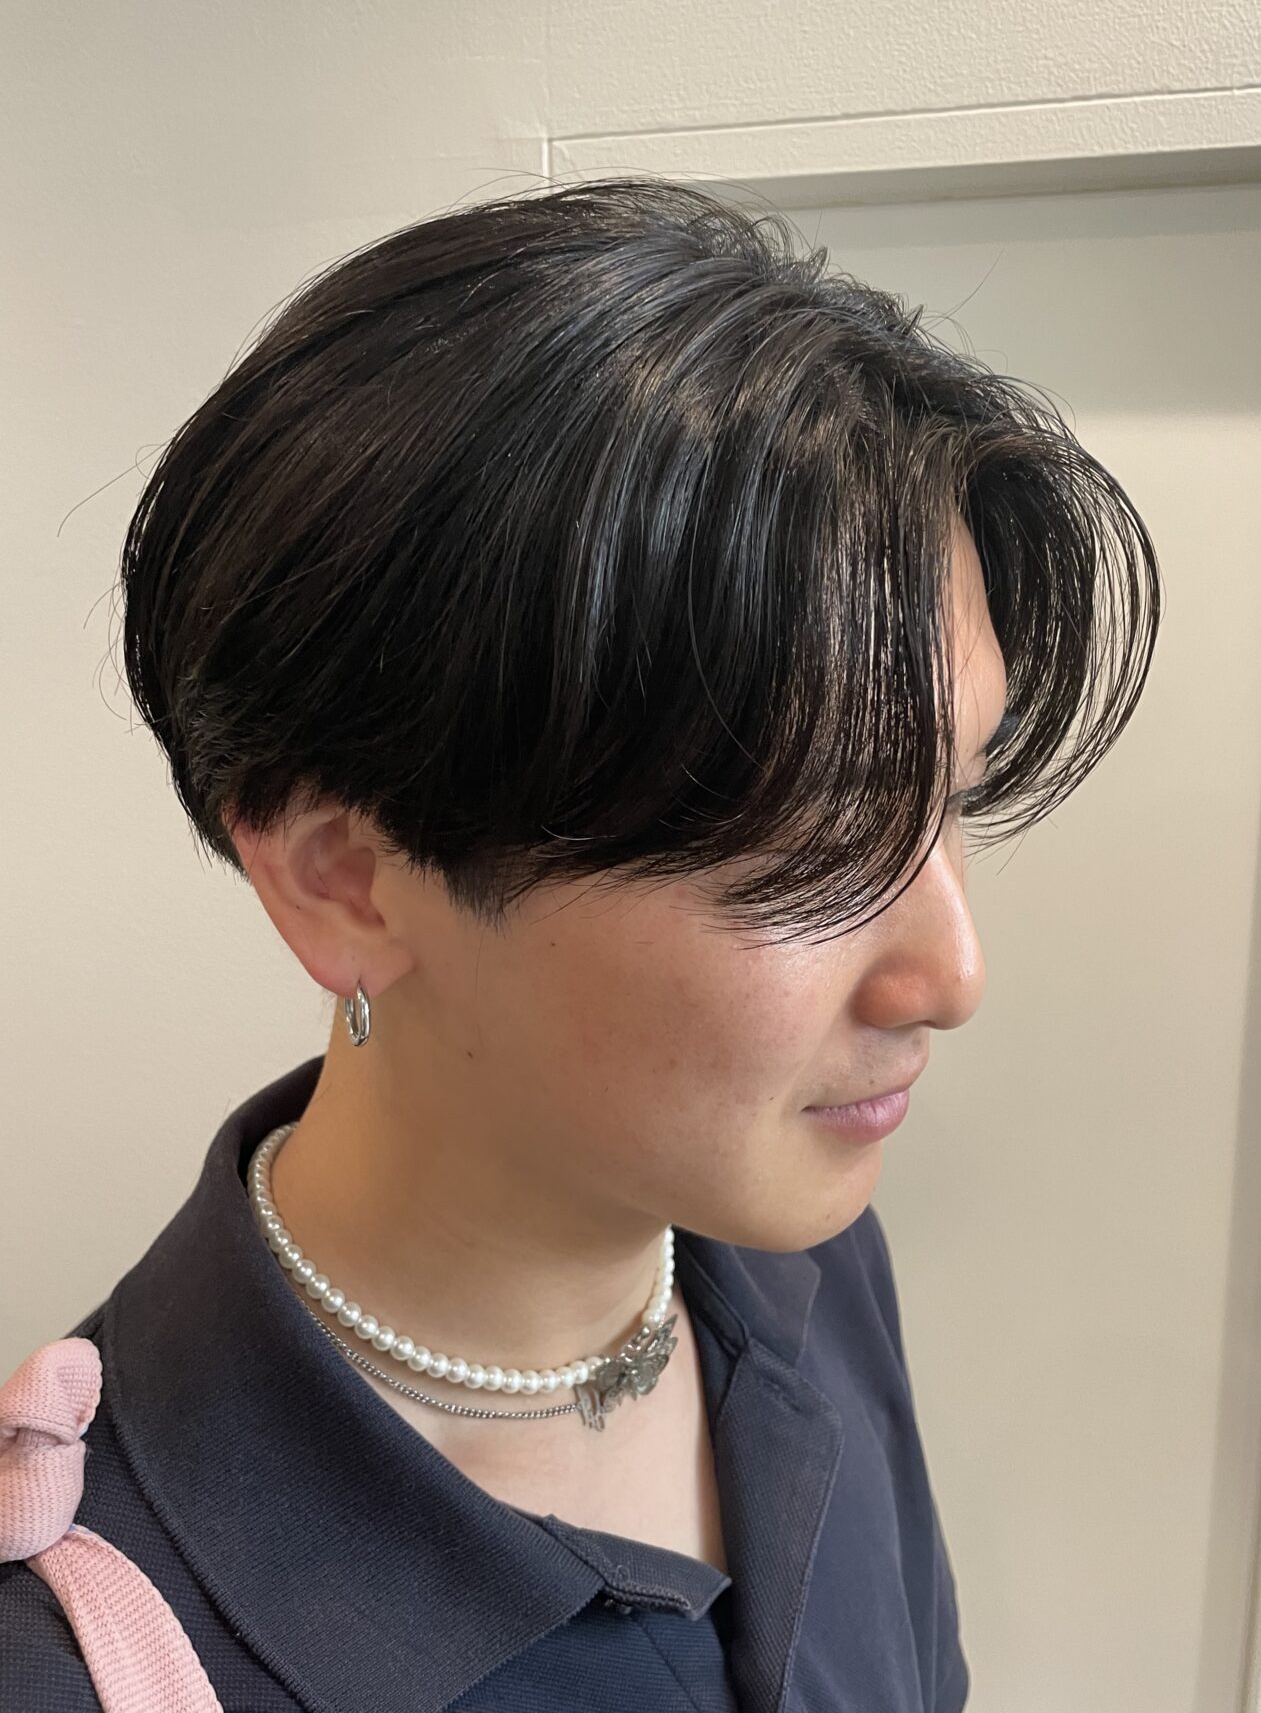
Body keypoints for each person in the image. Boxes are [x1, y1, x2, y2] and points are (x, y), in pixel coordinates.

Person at [0, 176, 1161, 1711]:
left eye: (947, 797)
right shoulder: (85, 1660)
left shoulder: (799, 1263)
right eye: (813, 849)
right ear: (347, 880)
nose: (952, 976)